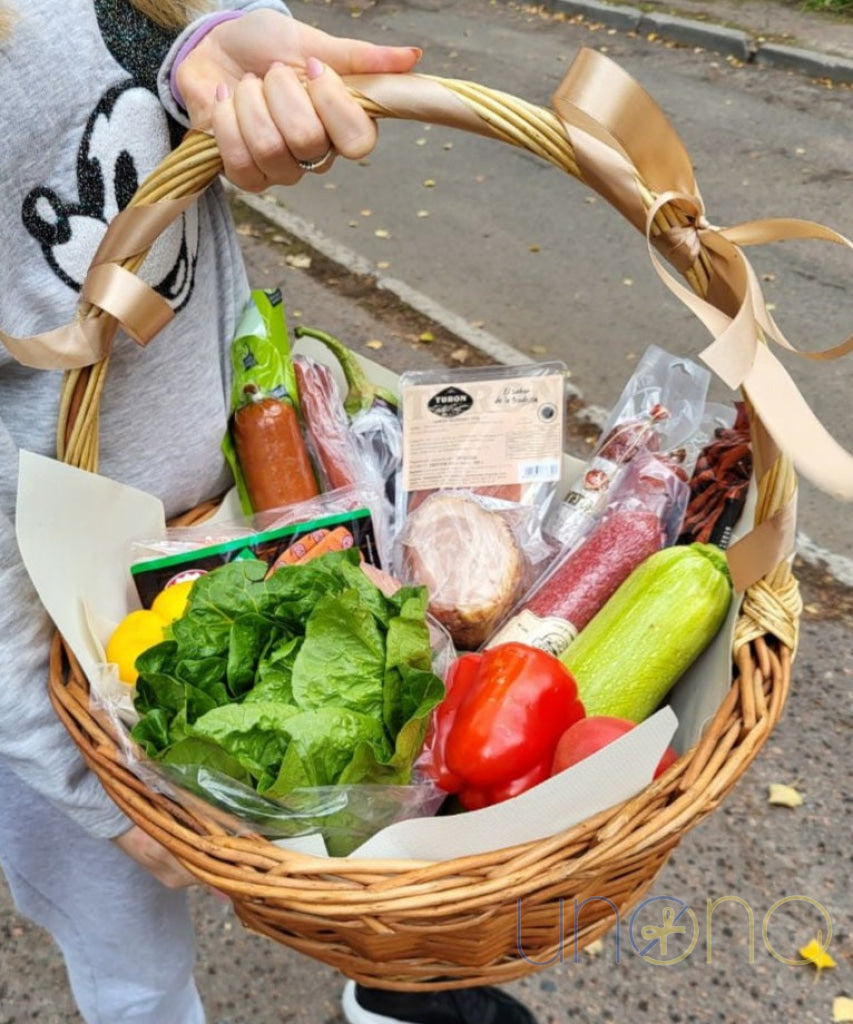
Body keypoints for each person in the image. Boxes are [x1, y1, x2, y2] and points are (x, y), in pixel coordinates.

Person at [0, 2, 539, 1023]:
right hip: (55, 633)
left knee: (380, 783)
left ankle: (394, 992)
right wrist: (58, 757)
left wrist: (204, 45)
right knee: (132, 954)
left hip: (244, 525)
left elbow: (131, 46)